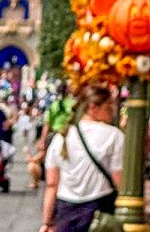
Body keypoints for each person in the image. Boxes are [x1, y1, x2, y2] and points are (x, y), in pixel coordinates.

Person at [39, 84, 123, 232]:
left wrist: (47, 222)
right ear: (93, 107)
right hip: (100, 209)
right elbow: (119, 180)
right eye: (109, 106)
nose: (113, 111)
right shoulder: (114, 135)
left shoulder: (60, 138)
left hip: (66, 211)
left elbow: (52, 185)